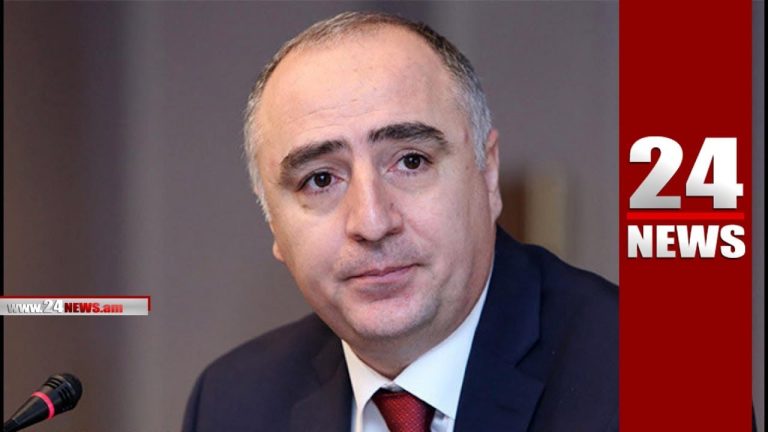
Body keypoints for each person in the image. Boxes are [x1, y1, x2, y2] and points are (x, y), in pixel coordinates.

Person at [182, 11, 617, 432]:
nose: (372, 223)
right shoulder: (232, 404)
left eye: (411, 161)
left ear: (487, 173)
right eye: (320, 179)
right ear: (272, 222)